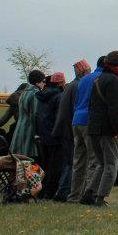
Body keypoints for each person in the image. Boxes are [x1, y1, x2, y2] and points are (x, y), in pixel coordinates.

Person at [83, 51, 118, 207]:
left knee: (101, 163)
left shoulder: (97, 79)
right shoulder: (114, 81)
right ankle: (101, 197)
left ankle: (89, 192)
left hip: (93, 127)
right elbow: (115, 108)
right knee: (110, 164)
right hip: (108, 129)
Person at [52, 60, 92, 201]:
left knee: (70, 162)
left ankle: (63, 191)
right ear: (85, 72)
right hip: (71, 128)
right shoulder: (79, 86)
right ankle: (64, 192)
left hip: (65, 128)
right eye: (89, 70)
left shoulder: (71, 85)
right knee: (74, 162)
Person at [70, 57, 105, 203]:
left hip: (76, 119)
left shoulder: (84, 79)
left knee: (78, 161)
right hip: (89, 121)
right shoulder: (102, 78)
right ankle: (88, 195)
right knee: (94, 160)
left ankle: (74, 195)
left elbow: (77, 101)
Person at [35, 72, 66, 199]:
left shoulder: (42, 96)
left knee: (45, 165)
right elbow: (60, 117)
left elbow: (37, 116)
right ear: (60, 83)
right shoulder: (59, 96)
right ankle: (50, 193)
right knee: (55, 166)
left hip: (43, 135)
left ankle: (40, 191)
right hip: (55, 136)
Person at [9, 69, 45, 158]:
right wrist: (36, 134)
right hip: (29, 132)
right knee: (29, 163)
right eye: (43, 81)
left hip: (19, 130)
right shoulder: (35, 94)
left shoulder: (24, 93)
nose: (44, 83)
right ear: (38, 82)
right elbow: (34, 116)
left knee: (19, 162)